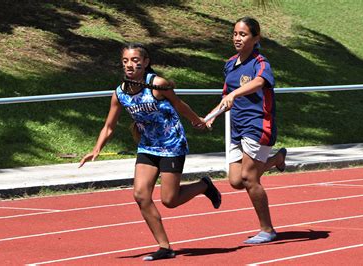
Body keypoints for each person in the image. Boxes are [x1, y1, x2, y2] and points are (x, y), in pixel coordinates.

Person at [79, 43, 221, 261]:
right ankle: (165, 247)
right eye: (126, 60)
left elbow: (179, 104)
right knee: (140, 195)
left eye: (135, 60)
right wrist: (96, 149)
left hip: (172, 144)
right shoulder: (119, 94)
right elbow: (109, 126)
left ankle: (204, 185)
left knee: (169, 200)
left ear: (145, 63)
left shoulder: (157, 85)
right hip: (147, 146)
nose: (130, 65)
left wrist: (198, 121)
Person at [206, 17, 287, 244]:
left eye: (243, 34)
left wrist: (235, 93)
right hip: (237, 127)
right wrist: (211, 117)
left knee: (250, 178)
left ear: (256, 38)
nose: (237, 38)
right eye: (235, 34)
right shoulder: (230, 64)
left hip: (258, 125)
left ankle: (268, 229)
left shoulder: (261, 63)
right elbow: (225, 95)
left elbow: (260, 82)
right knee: (235, 181)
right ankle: (278, 158)